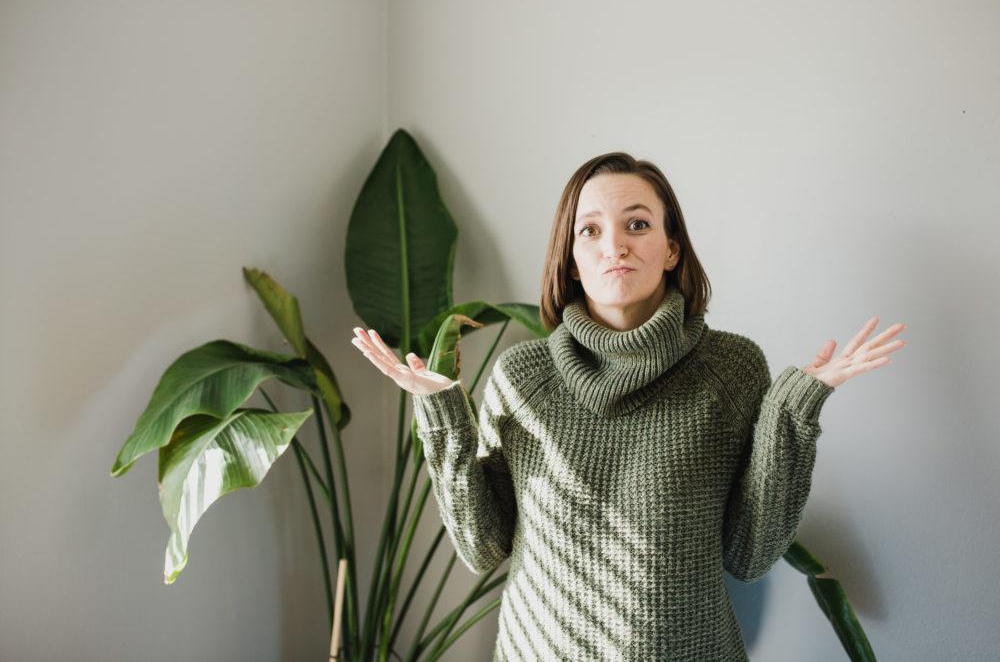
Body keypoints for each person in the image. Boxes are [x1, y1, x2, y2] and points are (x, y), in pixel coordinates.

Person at [350, 152, 906, 661]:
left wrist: (792, 411)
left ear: (671, 248)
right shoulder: (523, 378)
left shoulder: (731, 370)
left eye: (637, 224)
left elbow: (749, 555)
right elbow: (484, 546)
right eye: (589, 230)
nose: (614, 245)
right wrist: (442, 412)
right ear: (570, 260)